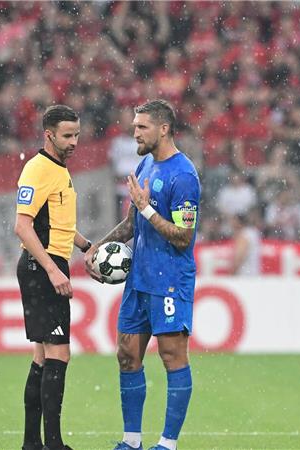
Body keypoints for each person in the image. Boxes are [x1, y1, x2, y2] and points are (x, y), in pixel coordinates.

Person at [84, 99, 201, 450]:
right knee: (126, 353)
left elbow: (183, 237)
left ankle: (167, 444)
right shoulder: (146, 163)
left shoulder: (184, 176)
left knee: (171, 356)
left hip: (170, 278)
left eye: (141, 127)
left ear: (163, 129)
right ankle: (131, 441)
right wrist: (97, 247)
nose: (134, 132)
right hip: (139, 277)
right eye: (134, 126)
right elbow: (134, 221)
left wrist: (147, 208)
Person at [14, 105, 94, 450]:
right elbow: (22, 225)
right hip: (41, 267)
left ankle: (33, 443)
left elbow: (60, 224)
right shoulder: (38, 169)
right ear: (49, 135)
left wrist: (87, 245)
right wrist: (52, 269)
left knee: (43, 357)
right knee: (59, 355)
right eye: (67, 135)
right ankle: (54, 444)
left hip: (47, 264)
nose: (74, 141)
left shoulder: (60, 169)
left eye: (77, 134)